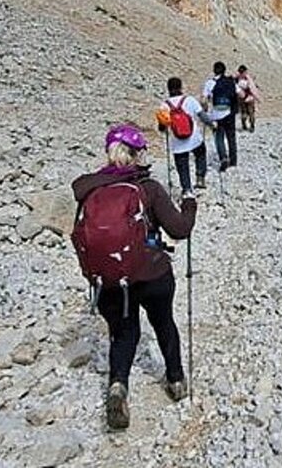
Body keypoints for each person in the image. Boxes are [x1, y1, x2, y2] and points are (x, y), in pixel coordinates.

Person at [71, 124, 196, 430]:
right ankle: (176, 381)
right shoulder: (148, 188)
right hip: (153, 274)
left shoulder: (91, 190)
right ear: (136, 154)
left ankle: (118, 386)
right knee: (164, 323)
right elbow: (180, 229)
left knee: (124, 334)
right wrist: (190, 205)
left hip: (110, 280)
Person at [158, 77, 206, 197]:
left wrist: (165, 127)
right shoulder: (189, 100)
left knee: (182, 165)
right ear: (180, 87)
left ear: (168, 89)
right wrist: (213, 124)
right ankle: (200, 177)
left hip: (177, 142)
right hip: (194, 139)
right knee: (200, 153)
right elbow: (202, 116)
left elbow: (162, 127)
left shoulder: (164, 105)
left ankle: (187, 189)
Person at [201, 61, 238, 171]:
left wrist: (205, 108)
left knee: (219, 137)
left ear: (214, 70)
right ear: (224, 70)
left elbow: (203, 99)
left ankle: (223, 157)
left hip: (216, 114)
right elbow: (240, 94)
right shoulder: (230, 82)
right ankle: (233, 160)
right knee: (231, 136)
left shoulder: (209, 83)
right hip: (230, 113)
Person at [235, 65, 260, 132]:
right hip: (249, 98)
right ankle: (251, 126)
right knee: (251, 112)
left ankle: (244, 125)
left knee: (244, 112)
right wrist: (257, 97)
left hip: (241, 98)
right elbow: (253, 89)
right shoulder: (248, 79)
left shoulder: (237, 79)